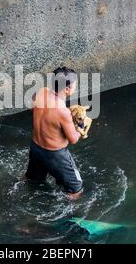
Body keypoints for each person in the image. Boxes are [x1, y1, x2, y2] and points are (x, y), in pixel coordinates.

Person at [25, 67, 83, 200]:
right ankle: (71, 218)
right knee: (76, 188)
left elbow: (32, 110)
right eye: (75, 85)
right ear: (67, 89)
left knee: (32, 179)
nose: (75, 87)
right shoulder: (63, 111)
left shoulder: (41, 92)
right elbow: (73, 139)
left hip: (35, 147)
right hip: (54, 154)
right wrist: (80, 126)